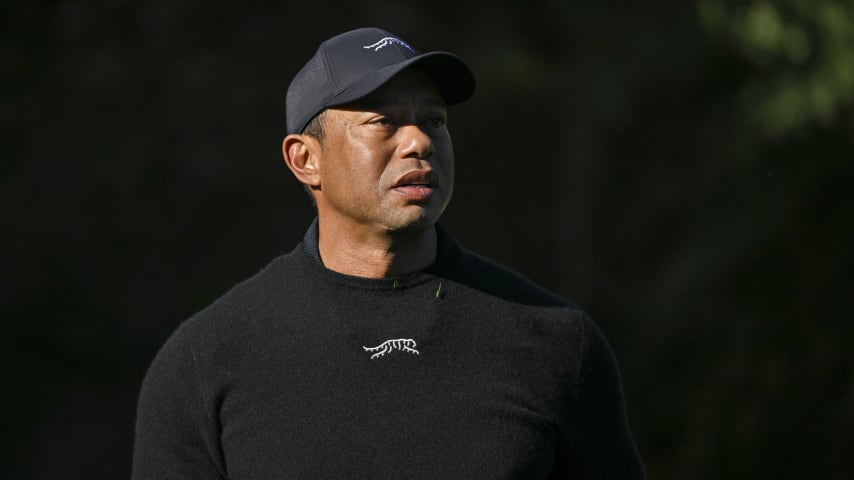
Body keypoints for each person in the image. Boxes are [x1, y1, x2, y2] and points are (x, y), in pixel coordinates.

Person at [132, 27, 645, 479]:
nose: (419, 140)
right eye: (384, 121)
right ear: (305, 159)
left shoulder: (556, 340)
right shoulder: (205, 362)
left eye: (435, 120)